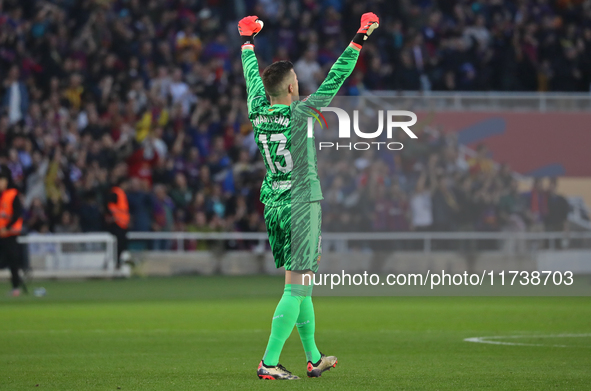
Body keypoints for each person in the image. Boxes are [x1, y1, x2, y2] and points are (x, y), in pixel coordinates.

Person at [238, 12, 380, 380]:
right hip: (302, 203)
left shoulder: (257, 109)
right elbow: (337, 77)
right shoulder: (301, 114)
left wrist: (247, 41)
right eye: (297, 81)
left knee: (300, 284)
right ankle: (268, 362)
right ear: (289, 89)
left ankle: (314, 358)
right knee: (298, 287)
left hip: (274, 201)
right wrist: (360, 36)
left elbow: (252, 76)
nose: (299, 85)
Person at [0, 165, 25, 296]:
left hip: (10, 234)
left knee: (13, 261)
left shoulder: (12, 194)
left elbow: (17, 214)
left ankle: (16, 288)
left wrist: (7, 227)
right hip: (1, 233)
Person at [104, 178, 130, 268]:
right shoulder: (117, 192)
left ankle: (117, 263)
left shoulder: (120, 193)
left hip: (121, 223)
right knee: (118, 246)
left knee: (120, 245)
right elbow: (108, 204)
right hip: (117, 224)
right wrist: (111, 216)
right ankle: (115, 263)